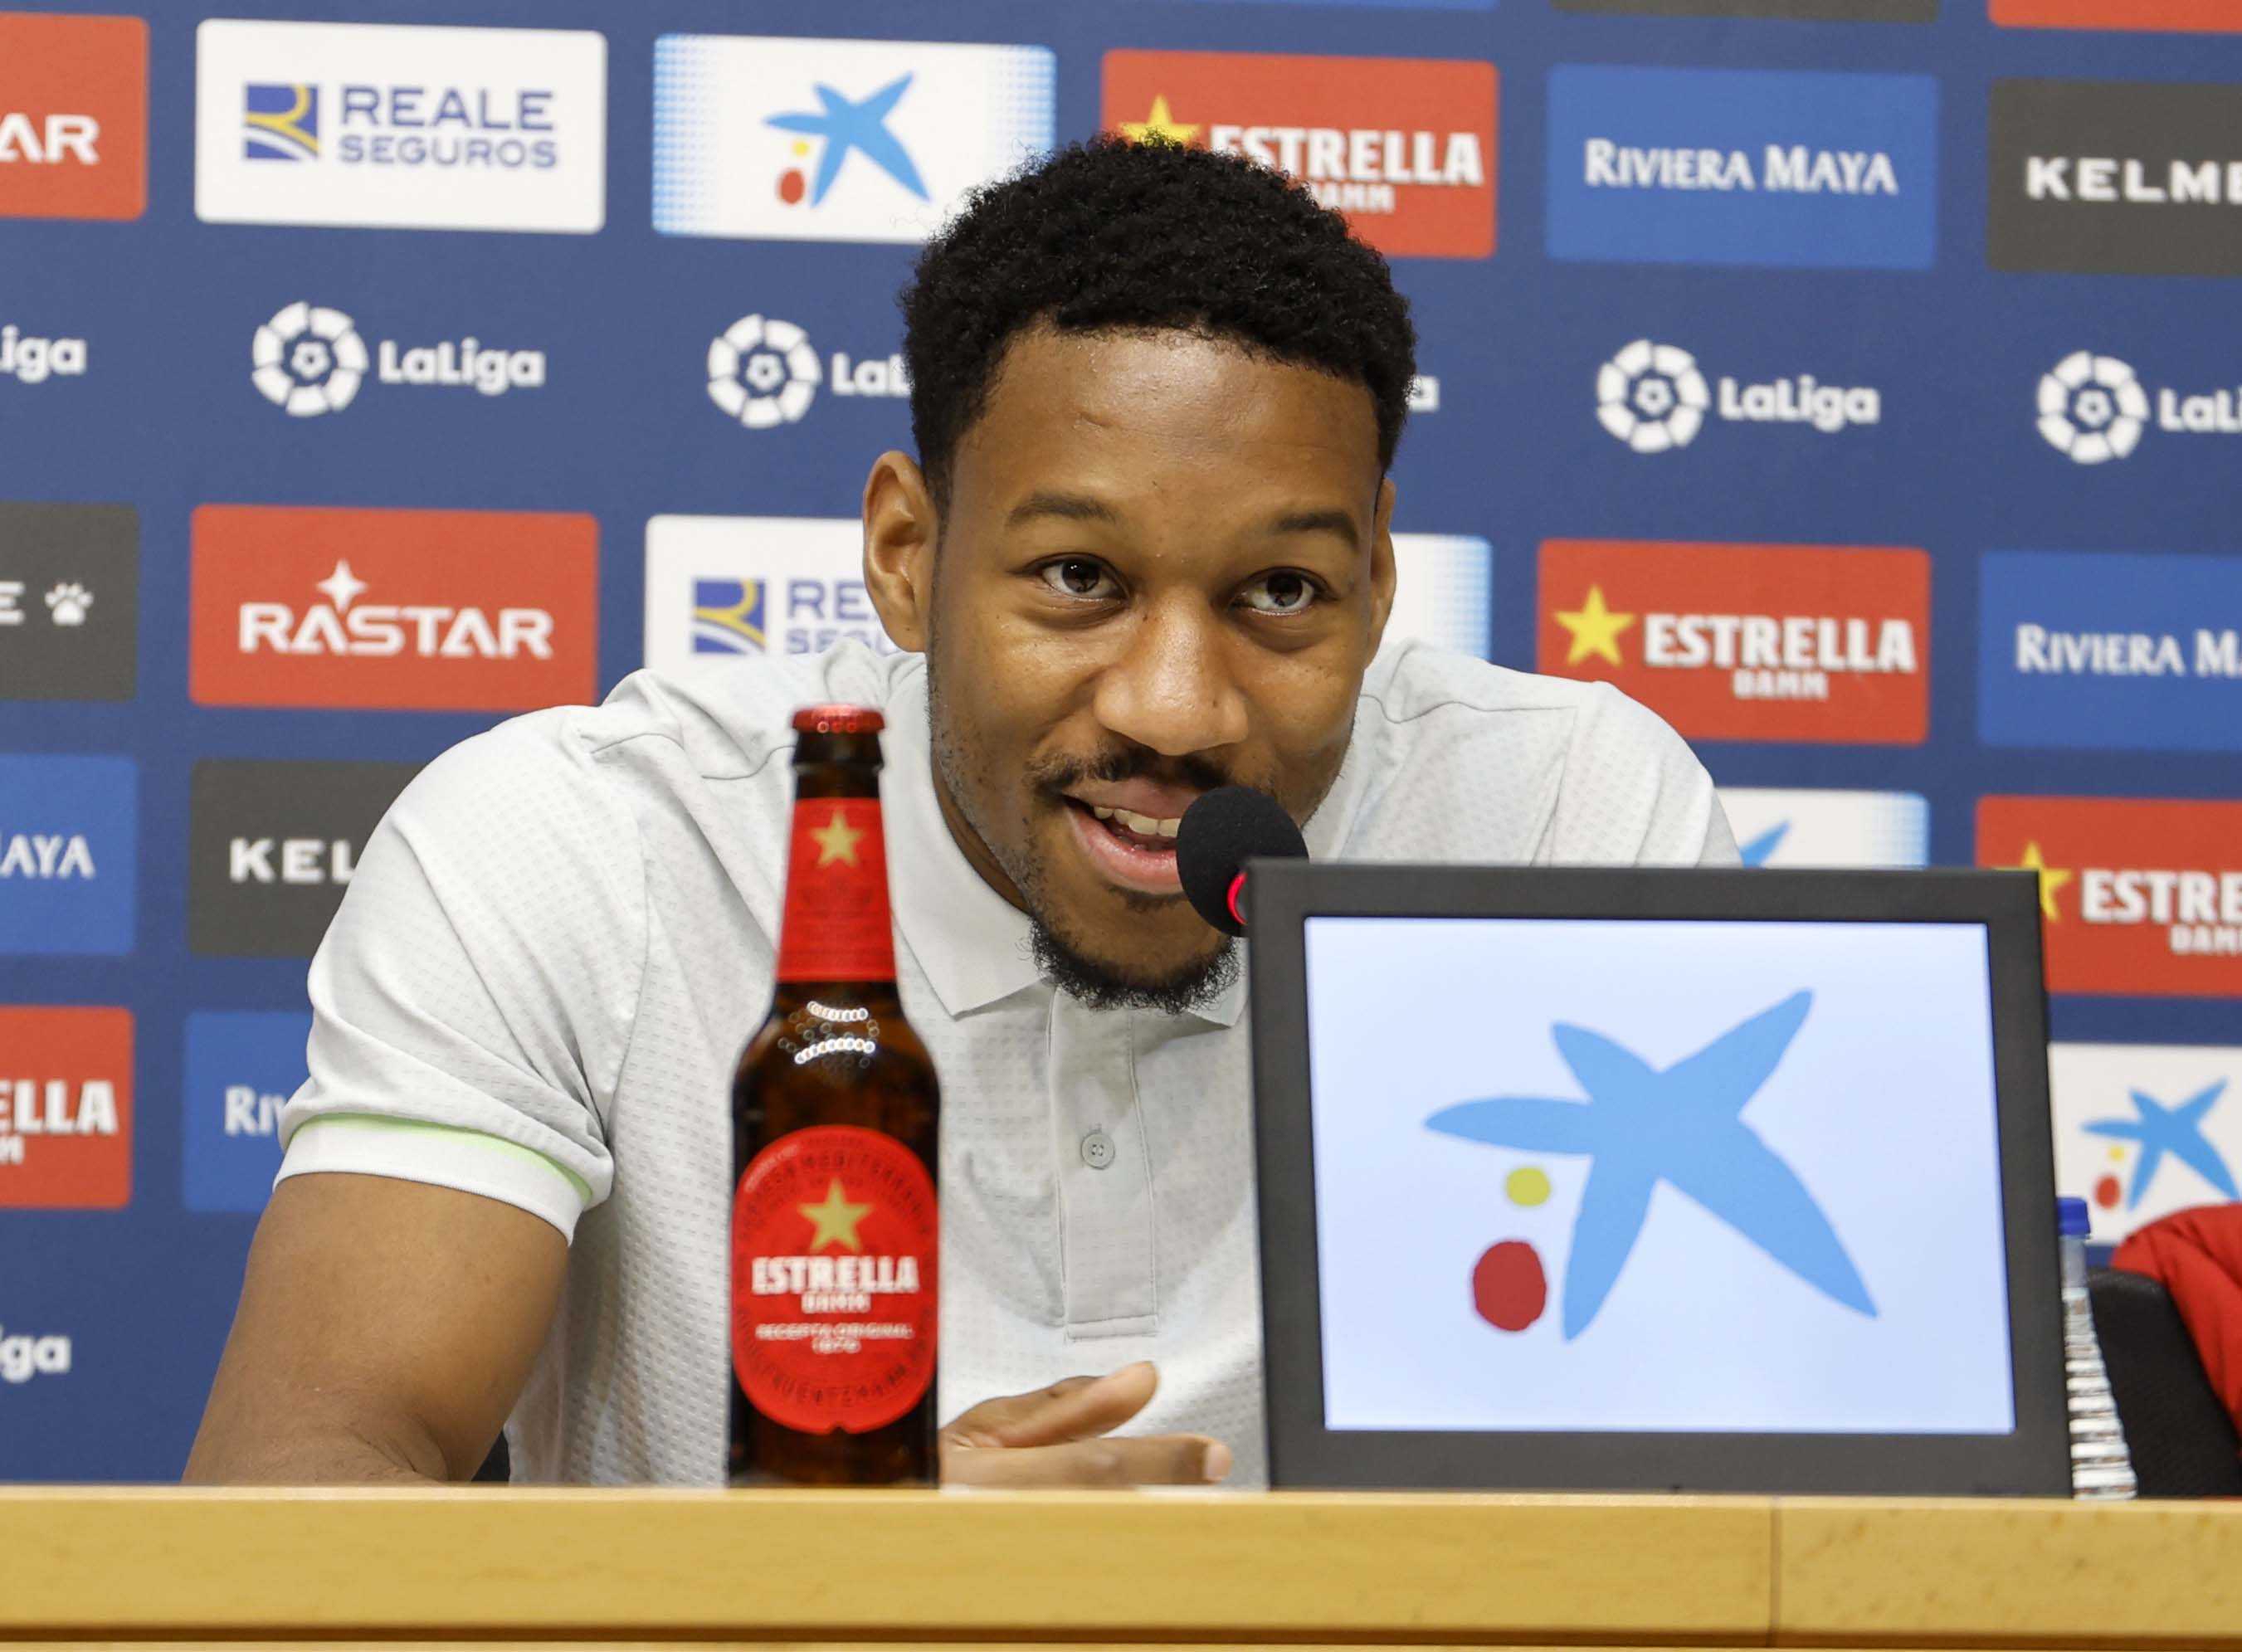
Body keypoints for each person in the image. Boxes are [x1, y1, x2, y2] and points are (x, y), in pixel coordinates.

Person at [186, 138, 1735, 1490]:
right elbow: (292, 1498)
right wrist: (831, 1580)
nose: (1176, 710)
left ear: (1377, 584)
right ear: (907, 557)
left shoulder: (1559, 820)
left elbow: (1723, 1487)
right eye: (1078, 578)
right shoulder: (582, 845)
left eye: (1280, 592)